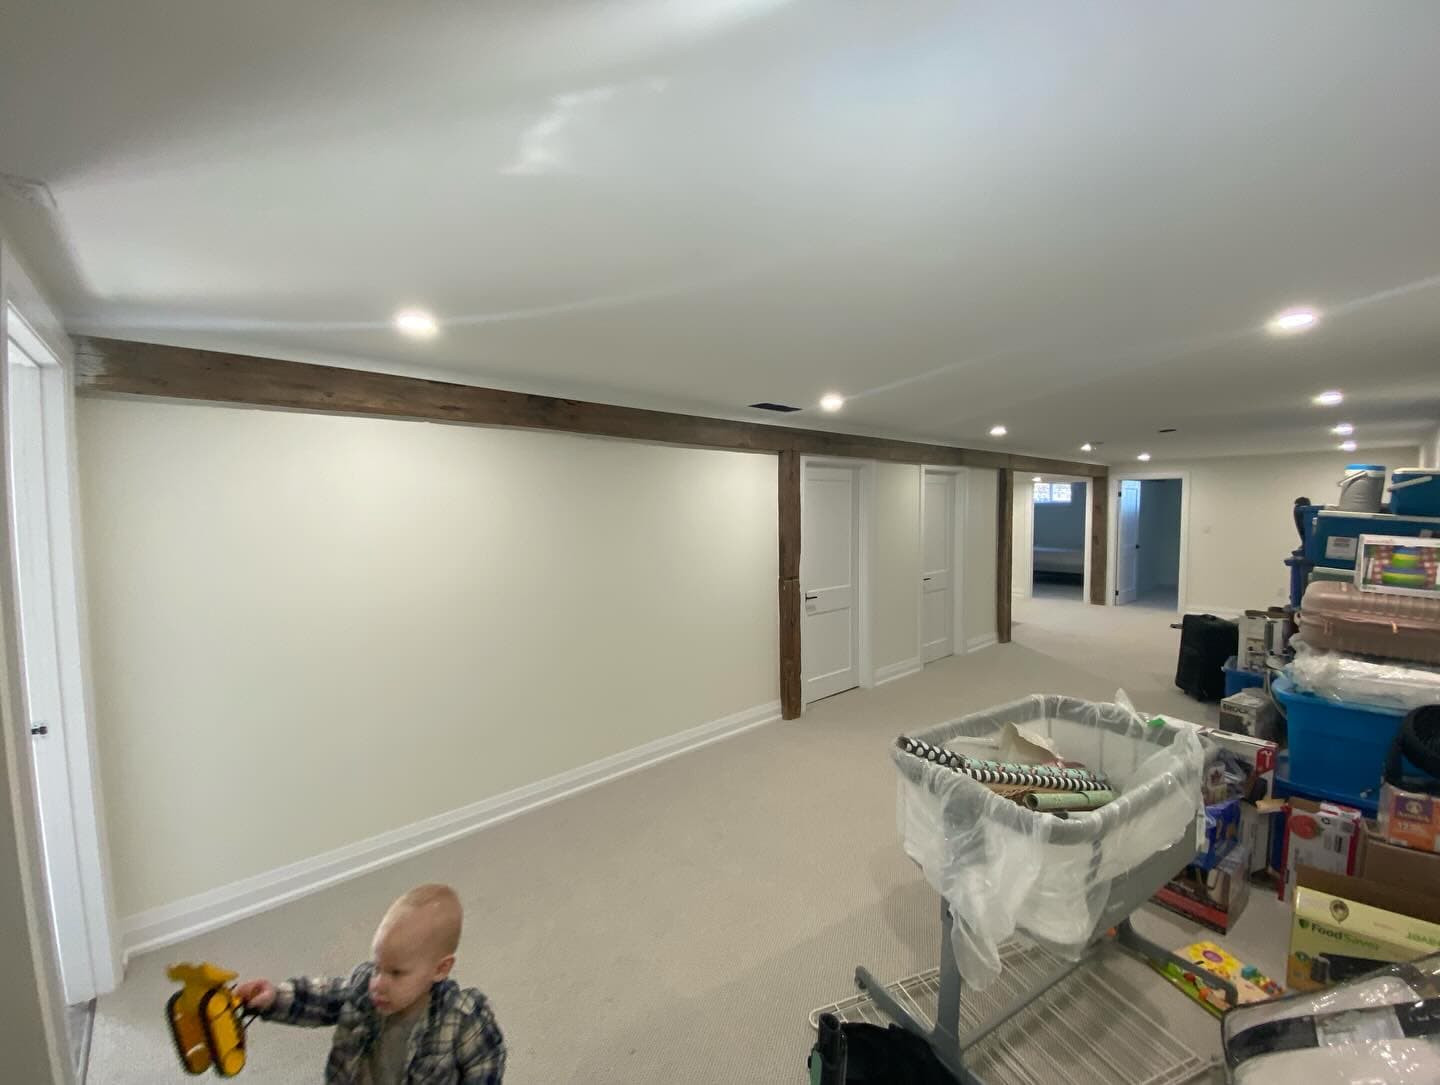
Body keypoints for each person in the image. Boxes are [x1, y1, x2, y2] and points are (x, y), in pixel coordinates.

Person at [236, 883, 506, 1084]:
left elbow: (485, 1066)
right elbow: (322, 997)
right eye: (378, 967)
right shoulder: (363, 989)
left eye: (397, 973)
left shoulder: (464, 1019)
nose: (378, 983)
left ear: (440, 969)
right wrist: (275, 998)